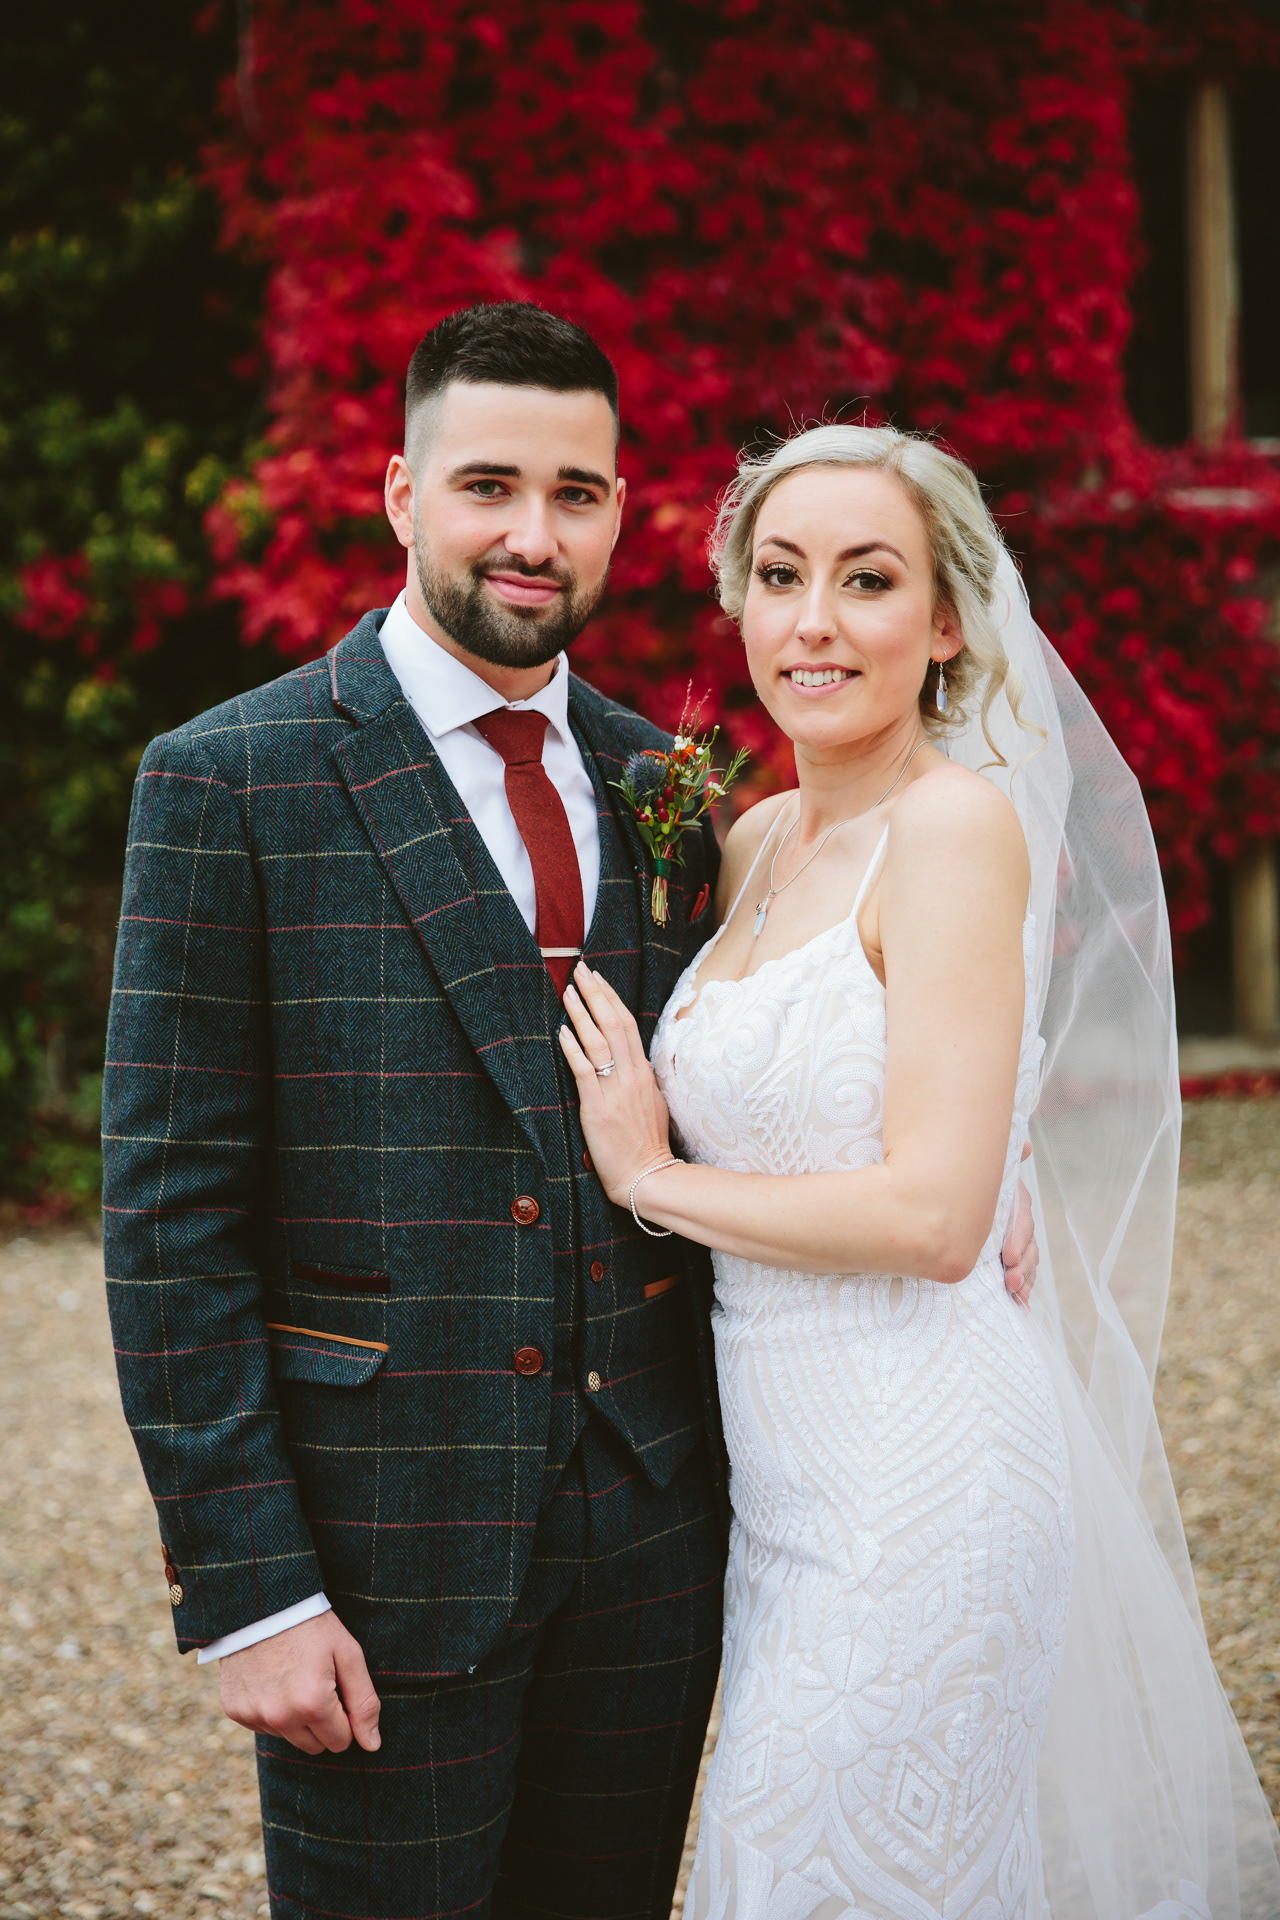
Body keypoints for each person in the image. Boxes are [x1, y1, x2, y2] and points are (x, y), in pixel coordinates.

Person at [101, 306, 1038, 1920]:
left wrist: (991, 1171)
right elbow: (170, 1213)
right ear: (401, 495)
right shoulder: (229, 781)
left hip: (667, 1551)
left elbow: (821, 1068)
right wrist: (251, 1591)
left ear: (622, 513)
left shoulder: (668, 786)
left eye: (580, 494)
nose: (534, 535)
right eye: (489, 486)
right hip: (389, 1550)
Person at [559, 423, 1280, 1917]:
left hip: (924, 1487)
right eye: (778, 574)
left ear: (948, 619)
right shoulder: (751, 841)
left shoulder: (954, 829)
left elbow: (936, 1216)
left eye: (867, 579)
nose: (812, 620)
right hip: (781, 1495)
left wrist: (650, 1175)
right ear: (738, 603)